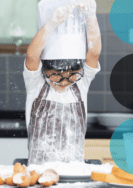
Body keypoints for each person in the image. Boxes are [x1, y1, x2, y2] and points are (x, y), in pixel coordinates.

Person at [24, 0, 101, 165]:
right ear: (44, 69)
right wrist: (51, 24)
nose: (64, 81)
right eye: (56, 75)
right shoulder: (36, 84)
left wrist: (90, 18)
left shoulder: (81, 84)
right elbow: (31, 56)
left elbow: (94, 53)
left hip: (75, 171)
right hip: (38, 173)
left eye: (72, 74)